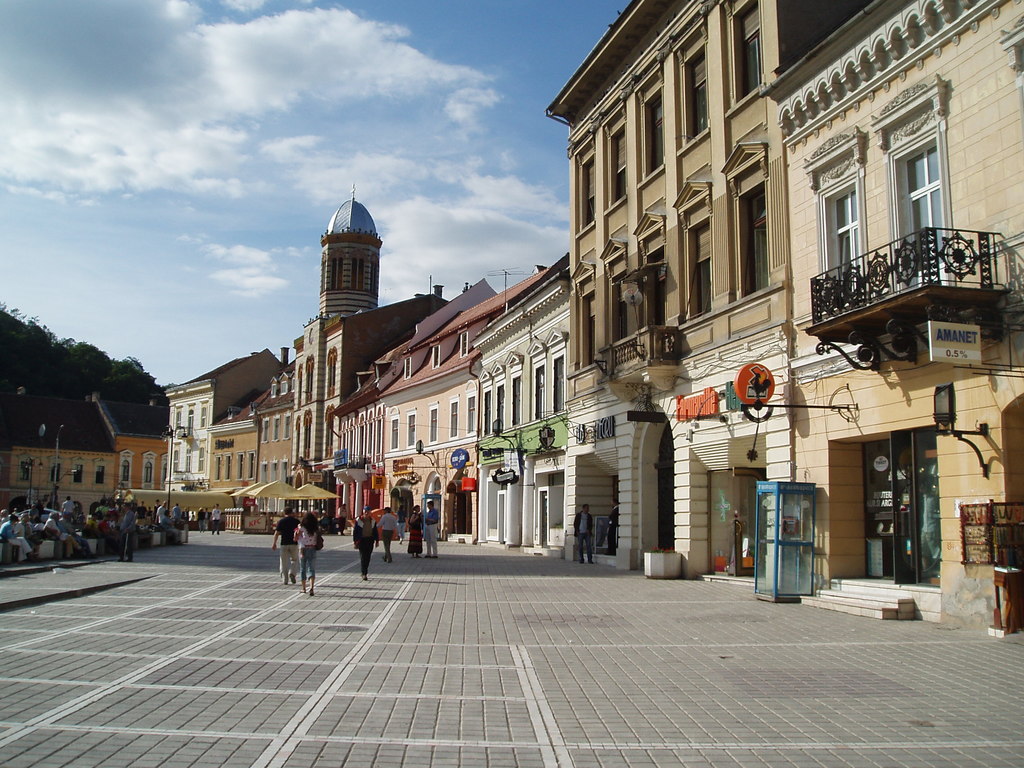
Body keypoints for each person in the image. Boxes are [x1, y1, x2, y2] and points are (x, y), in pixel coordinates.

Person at [272, 508, 301, 585]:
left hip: (284, 543)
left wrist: (274, 543)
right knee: (294, 560)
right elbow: (300, 533)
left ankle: (285, 579)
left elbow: (276, 533)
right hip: (294, 544)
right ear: (292, 512)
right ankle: (292, 573)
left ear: (285, 513)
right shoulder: (296, 521)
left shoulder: (281, 521)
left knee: (283, 562)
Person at [296, 512, 320, 595]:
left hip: (303, 549)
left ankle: (303, 588)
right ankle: (311, 587)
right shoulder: (315, 528)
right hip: (312, 548)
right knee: (311, 569)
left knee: (303, 568)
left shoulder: (301, 527)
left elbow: (296, 538)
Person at [353, 506, 379, 580]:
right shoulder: (359, 520)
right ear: (363, 512)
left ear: (370, 512)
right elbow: (355, 532)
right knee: (363, 557)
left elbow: (375, 531)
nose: (366, 513)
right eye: (365, 512)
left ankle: (365, 571)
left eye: (368, 512)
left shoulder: (372, 521)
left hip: (370, 540)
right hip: (362, 540)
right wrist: (355, 542)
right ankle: (364, 573)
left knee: (368, 557)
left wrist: (377, 541)